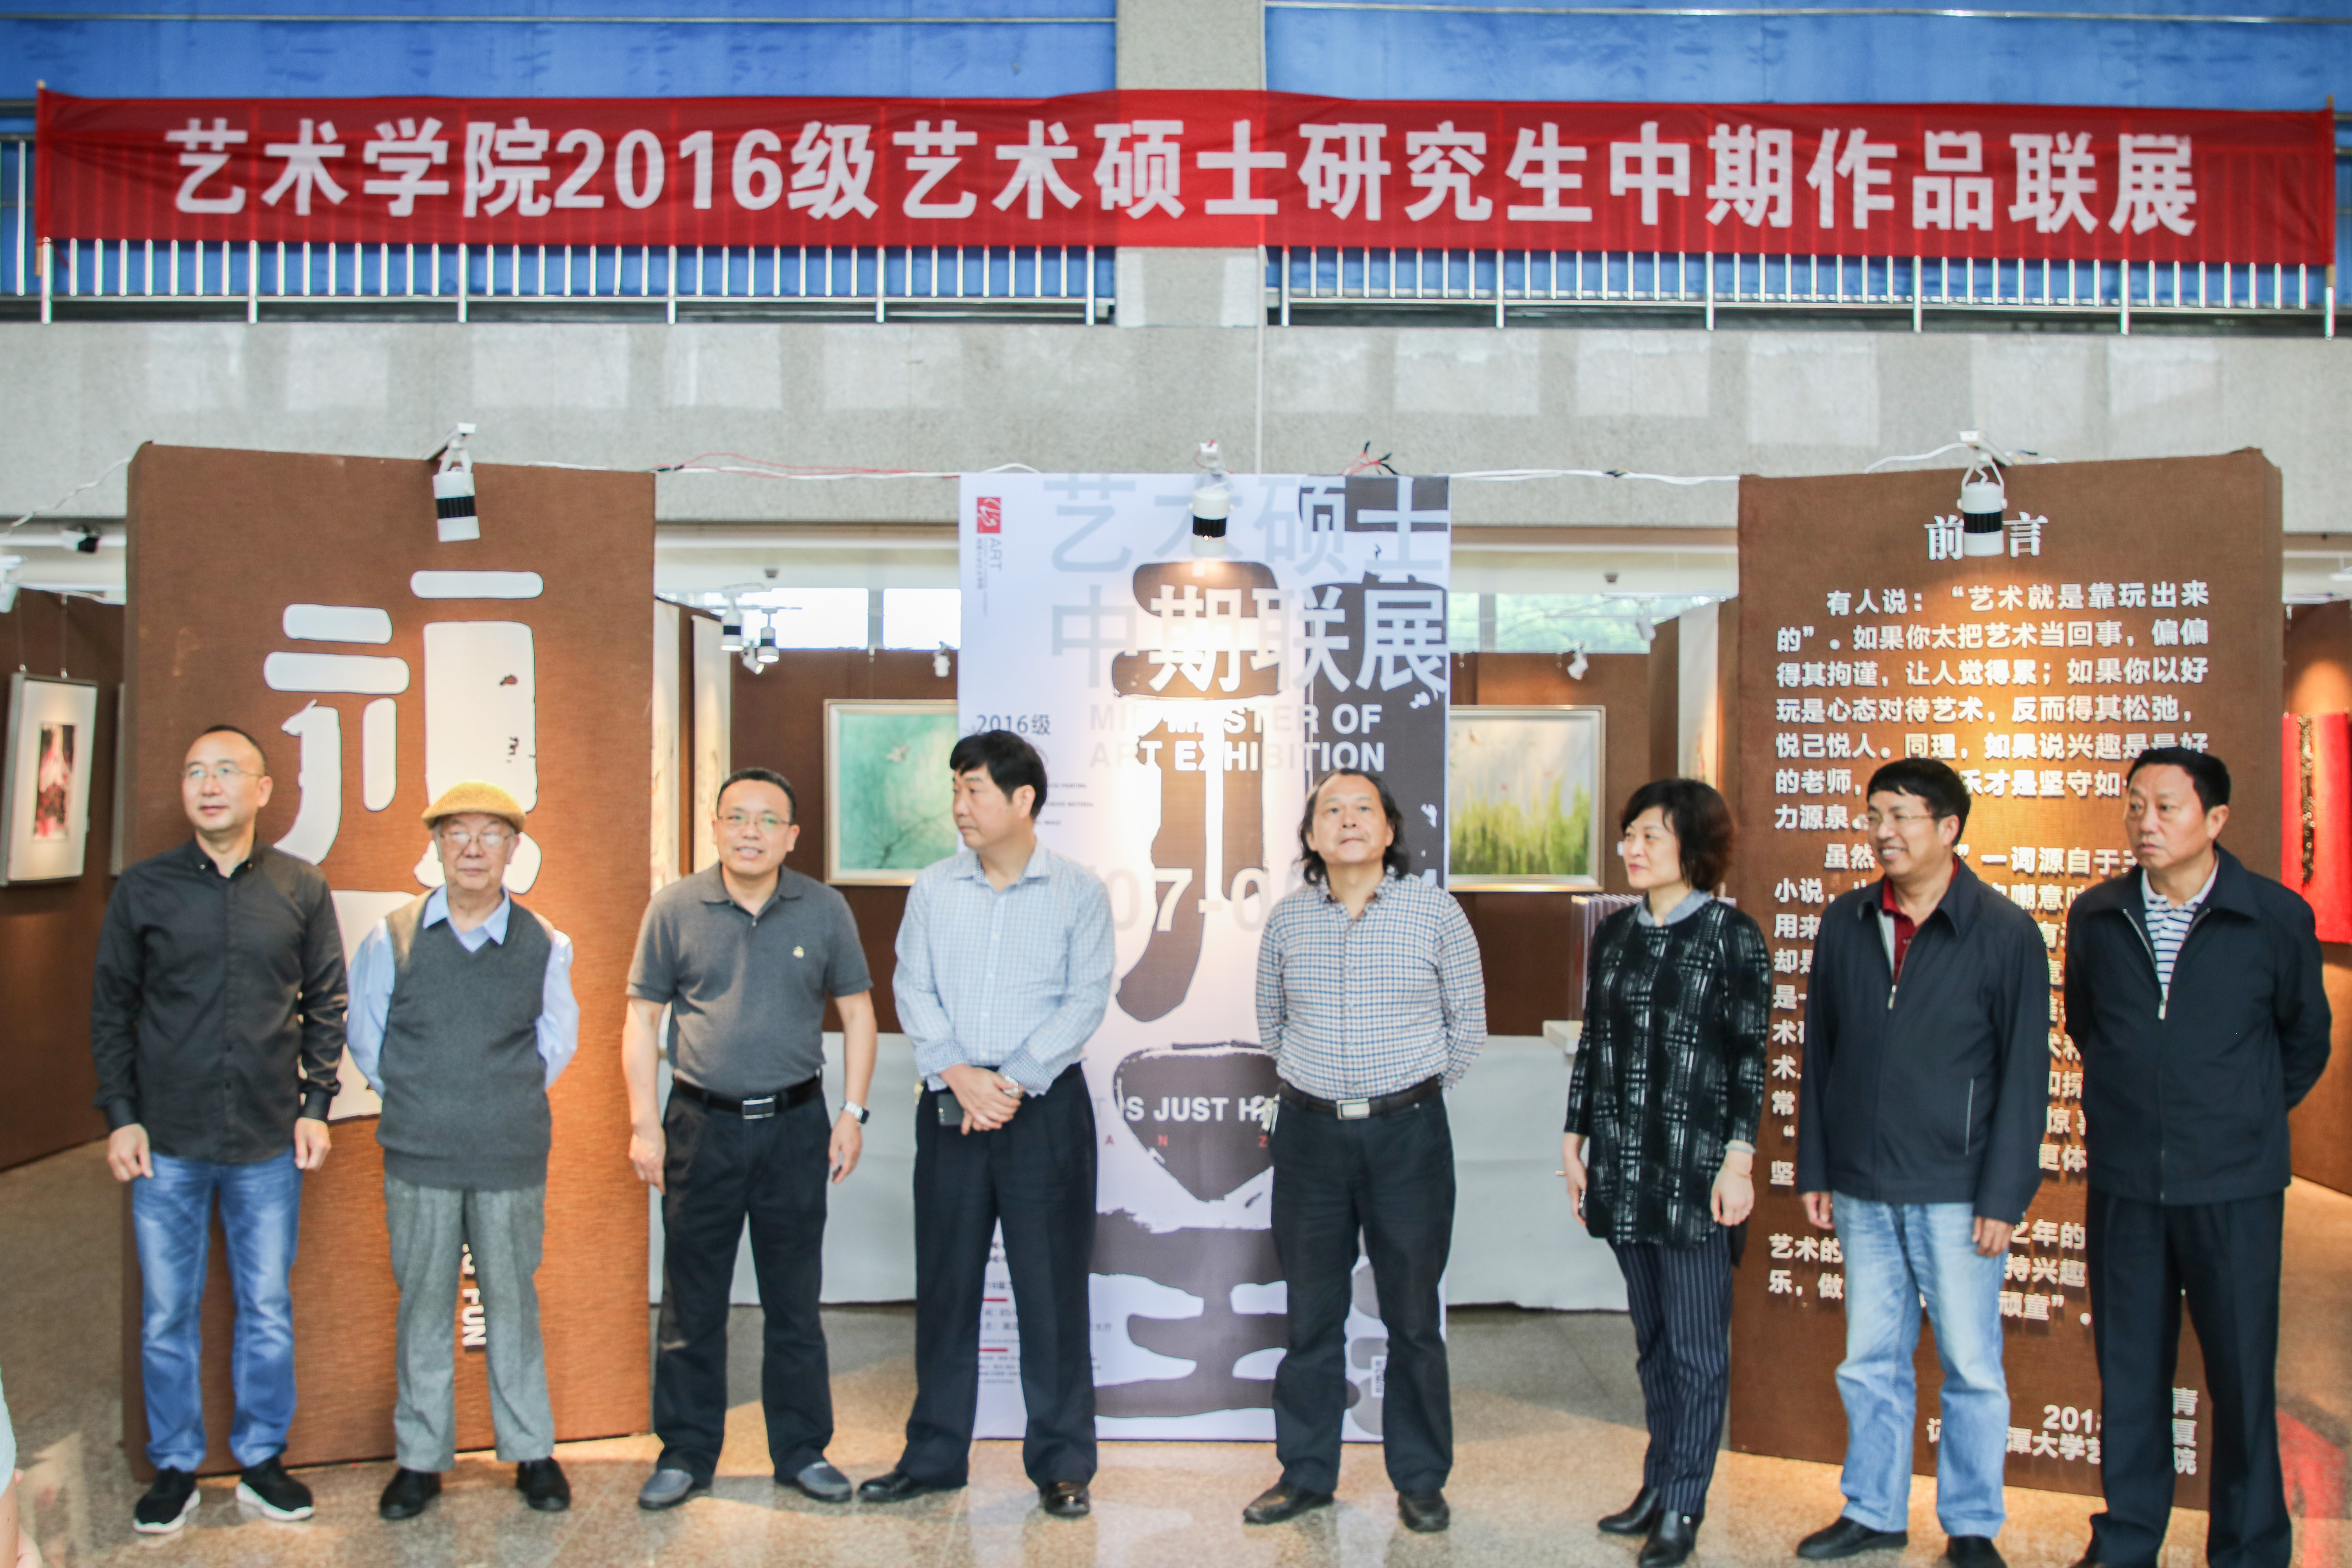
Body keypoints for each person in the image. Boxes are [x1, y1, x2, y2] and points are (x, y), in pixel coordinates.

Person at [2062, 749, 2329, 1568]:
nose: (2145, 822)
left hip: (2235, 1186)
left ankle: (2249, 1547)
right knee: (2129, 1372)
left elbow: (2304, 1039)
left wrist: (2240, 1117)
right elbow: (2089, 1027)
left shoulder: (2273, 916)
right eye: (2134, 805)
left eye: (2166, 806)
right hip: (2127, 1184)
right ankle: (2127, 1539)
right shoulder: (2098, 915)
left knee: (2241, 1374)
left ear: (2215, 819)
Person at [90, 724, 346, 1534]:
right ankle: (174, 1466)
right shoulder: (144, 888)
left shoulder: (301, 888)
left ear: (262, 790)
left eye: (227, 770)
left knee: (266, 1307)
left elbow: (326, 1003)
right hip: (165, 1140)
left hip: (268, 1139)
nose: (208, 784)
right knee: (167, 1312)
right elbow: (110, 1008)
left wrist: (316, 1106)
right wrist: (121, 1116)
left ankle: (262, 1461)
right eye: (195, 770)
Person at [1794, 757, 2048, 1568]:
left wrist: (2004, 1193)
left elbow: (2026, 1075)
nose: (1883, 831)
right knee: (1870, 1361)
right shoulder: (1846, 920)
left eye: (1901, 816)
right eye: (1875, 815)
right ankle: (1873, 1509)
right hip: (1863, 1185)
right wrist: (1816, 1167)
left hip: (1957, 1189)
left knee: (1971, 1365)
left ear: (1949, 828)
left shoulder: (2004, 932)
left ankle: (1972, 1525)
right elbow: (1821, 1050)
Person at [858, 730, 1112, 1521]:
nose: (959, 807)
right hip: (951, 1105)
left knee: (1051, 1293)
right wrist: (961, 1075)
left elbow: (1086, 998)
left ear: (1022, 799)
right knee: (946, 1286)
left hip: (1045, 1112)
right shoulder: (935, 888)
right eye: (956, 790)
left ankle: (1062, 1465)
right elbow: (913, 986)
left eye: (974, 790)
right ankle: (934, 1457)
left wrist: (1012, 1081)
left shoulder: (1078, 892)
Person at [625, 767, 880, 1511]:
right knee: (691, 1303)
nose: (751, 832)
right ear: (714, 828)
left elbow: (858, 1013)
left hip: (796, 1127)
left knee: (794, 1303)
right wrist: (644, 1125)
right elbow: (641, 1020)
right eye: (737, 817)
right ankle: (685, 1453)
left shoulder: (824, 909)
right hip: (698, 1125)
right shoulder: (675, 908)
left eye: (769, 820)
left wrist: (853, 1113)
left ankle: (802, 1450)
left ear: (792, 837)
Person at [1243, 769, 1486, 1536]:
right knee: (1312, 1315)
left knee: (1412, 1316)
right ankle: (1305, 1473)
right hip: (1310, 1135)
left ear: (1389, 830)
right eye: (1331, 810)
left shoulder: (1435, 912)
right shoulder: (1288, 921)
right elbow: (1272, 1026)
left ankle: (1420, 1479)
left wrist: (1405, 1095)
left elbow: (1467, 1026)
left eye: (1363, 809)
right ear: (1312, 835)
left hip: (1407, 1136)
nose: (1348, 820)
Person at [347, 782, 580, 1521]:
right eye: (457, 834)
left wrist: (493, 1097)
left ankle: (532, 1452)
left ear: (514, 849)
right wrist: (429, 1098)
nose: (473, 849)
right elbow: (368, 1040)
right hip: (419, 1154)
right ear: (437, 846)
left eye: (490, 835)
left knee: (512, 1301)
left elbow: (557, 1044)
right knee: (423, 1305)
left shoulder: (545, 941)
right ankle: (419, 1461)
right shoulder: (393, 937)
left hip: (510, 1153)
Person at [1564, 779, 1768, 1568]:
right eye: (1630, 834)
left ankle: (1685, 1500)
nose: (1634, 847)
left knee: (1696, 1348)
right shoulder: (1617, 934)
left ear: (1695, 843)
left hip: (1697, 1174)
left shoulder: (1731, 935)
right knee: (1651, 1341)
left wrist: (1739, 1162)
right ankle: (1658, 1482)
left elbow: (1750, 1059)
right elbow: (1594, 1044)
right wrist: (1574, 1138)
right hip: (1625, 1165)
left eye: (1651, 834)